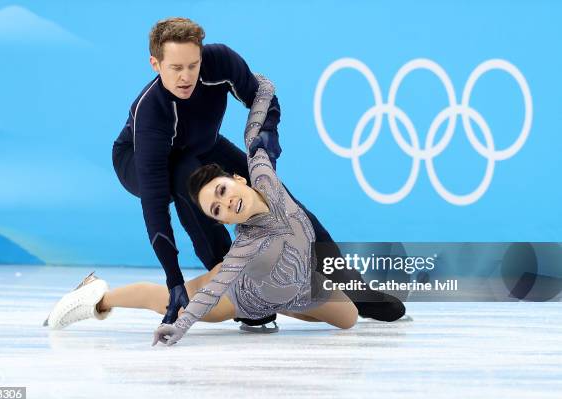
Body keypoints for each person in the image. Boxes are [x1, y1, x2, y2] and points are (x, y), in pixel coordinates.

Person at [111, 17, 403, 327]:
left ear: (202, 55)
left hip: (203, 143)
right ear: (155, 64)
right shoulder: (152, 114)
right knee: (185, 178)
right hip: (139, 161)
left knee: (283, 203)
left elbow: (264, 97)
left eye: (192, 66)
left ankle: (357, 289)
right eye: (175, 68)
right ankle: (236, 285)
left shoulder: (220, 61)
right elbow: (155, 208)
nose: (186, 77)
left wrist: (266, 145)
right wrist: (174, 280)